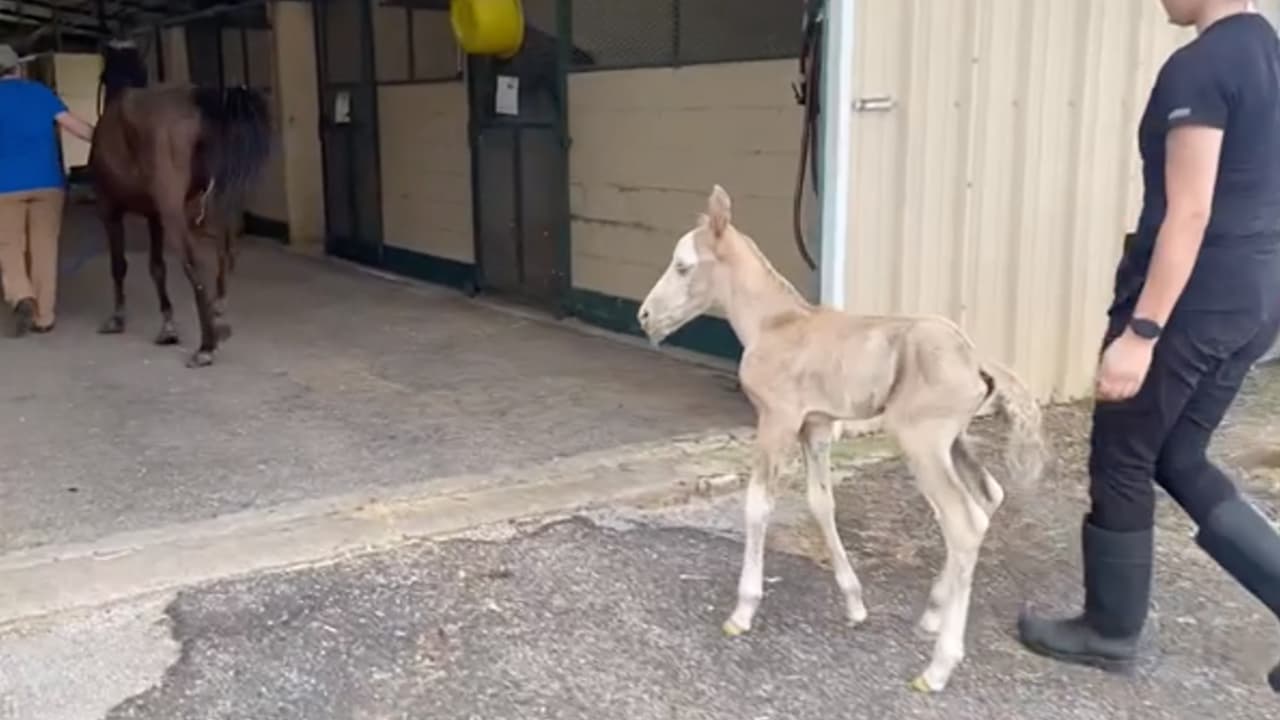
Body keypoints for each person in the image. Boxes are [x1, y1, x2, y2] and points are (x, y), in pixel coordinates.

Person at [1017, 0, 1280, 693]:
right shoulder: (1269, 55)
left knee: (1123, 454)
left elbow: (1189, 210)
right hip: (1255, 296)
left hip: (1194, 301)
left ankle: (1108, 630)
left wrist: (1141, 333)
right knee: (1179, 455)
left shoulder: (1202, 65)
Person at [0, 43, 95, 337]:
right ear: (18, 67)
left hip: (4, 186)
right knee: (45, 248)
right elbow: (76, 127)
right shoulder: (41, 93)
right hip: (48, 184)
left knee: (8, 246)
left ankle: (21, 295)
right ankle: (44, 316)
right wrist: (108, 144)